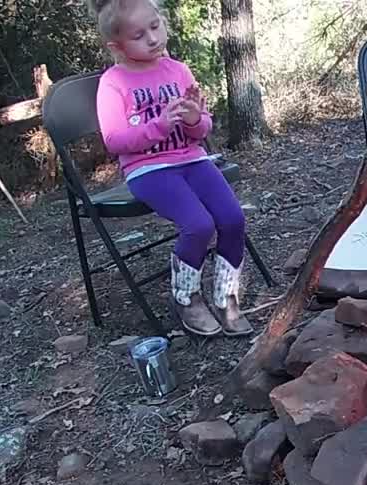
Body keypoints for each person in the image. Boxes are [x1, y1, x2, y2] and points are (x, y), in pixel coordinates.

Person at [87, 0, 251, 336]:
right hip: (148, 170)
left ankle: (225, 296)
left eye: (155, 25)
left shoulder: (178, 71)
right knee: (199, 225)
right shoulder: (113, 82)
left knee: (233, 219)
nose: (151, 38)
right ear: (116, 46)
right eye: (138, 35)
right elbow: (115, 140)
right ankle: (186, 296)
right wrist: (159, 127)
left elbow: (202, 127)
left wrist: (194, 121)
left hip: (191, 159)